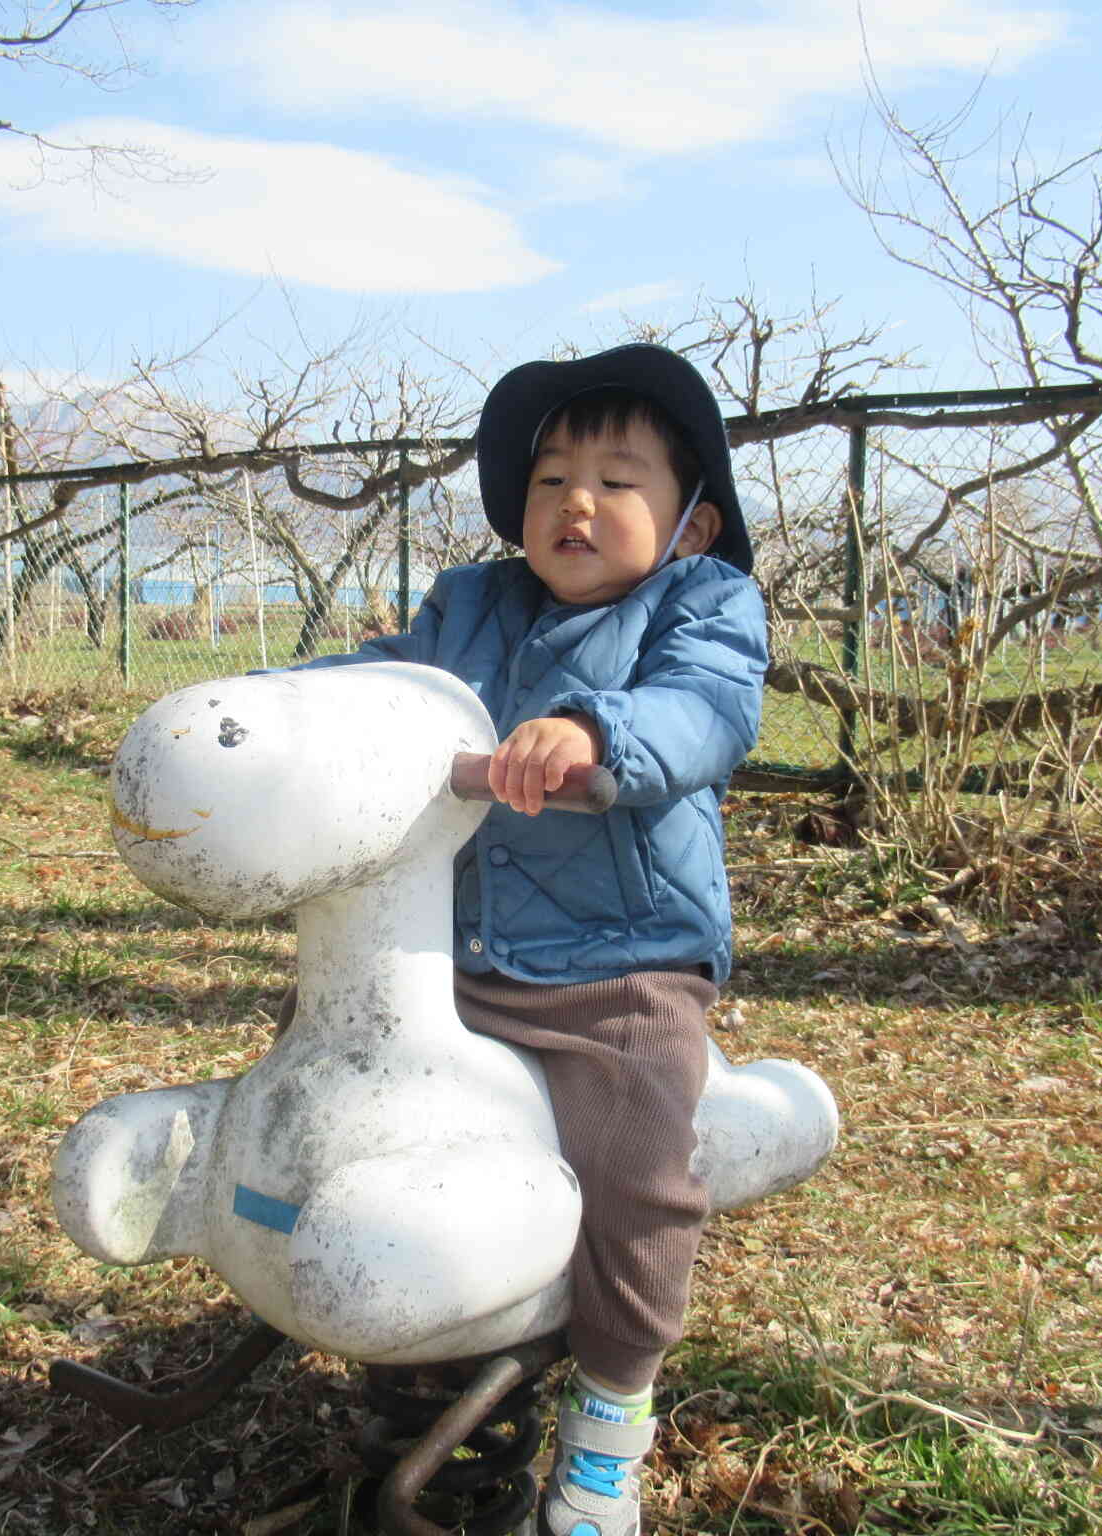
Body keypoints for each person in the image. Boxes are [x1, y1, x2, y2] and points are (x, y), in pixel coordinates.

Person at [292, 343, 765, 1536]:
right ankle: (343, 1270)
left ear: (694, 522)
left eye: (615, 479)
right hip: (445, 953)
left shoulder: (702, 605)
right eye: (551, 478)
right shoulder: (470, 604)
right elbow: (387, 684)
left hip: (616, 964)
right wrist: (280, 704)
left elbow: (703, 708)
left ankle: (609, 1415)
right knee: (319, 1057)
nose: (575, 502)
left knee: (634, 1167)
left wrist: (595, 735)